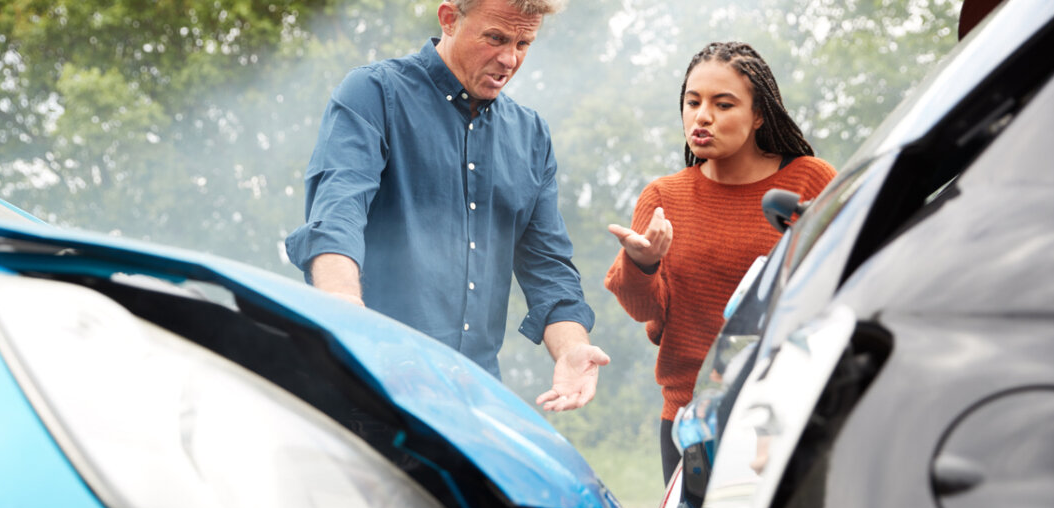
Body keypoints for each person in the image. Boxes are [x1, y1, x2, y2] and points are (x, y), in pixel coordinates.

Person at [285, 0, 609, 411]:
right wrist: (341, 301)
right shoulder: (373, 94)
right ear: (449, 19)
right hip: (365, 389)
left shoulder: (532, 137)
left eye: (524, 43)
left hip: (472, 404)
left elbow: (548, 267)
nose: (510, 59)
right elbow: (336, 214)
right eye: (496, 38)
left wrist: (571, 348)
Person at [604, 42, 836, 483]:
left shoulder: (811, 180)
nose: (701, 116)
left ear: (760, 114)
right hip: (690, 418)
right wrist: (643, 264)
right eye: (692, 102)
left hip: (785, 412)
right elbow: (645, 313)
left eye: (722, 104)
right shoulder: (663, 198)